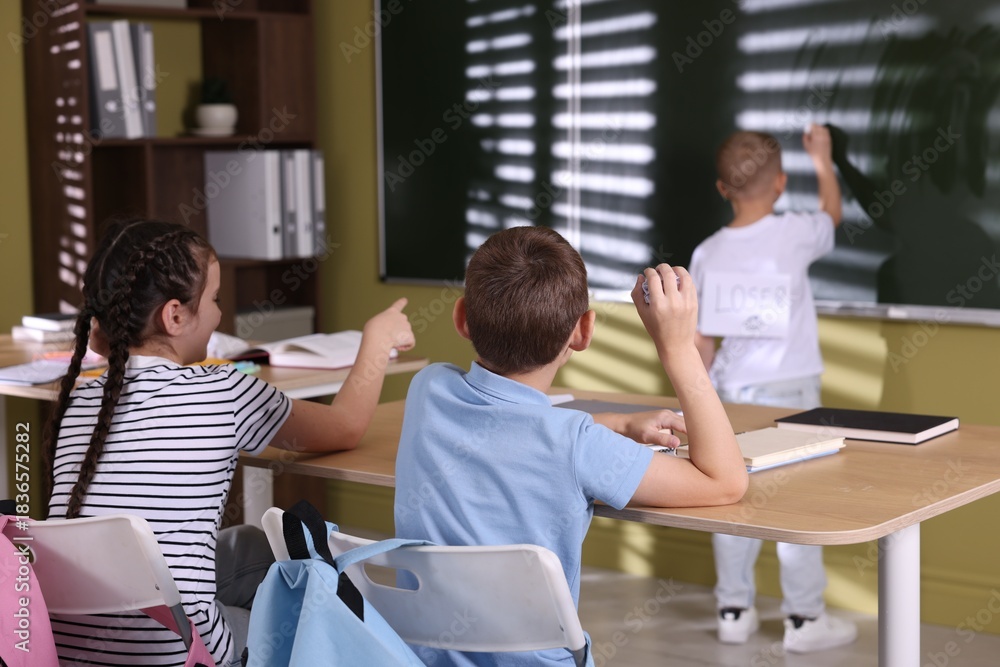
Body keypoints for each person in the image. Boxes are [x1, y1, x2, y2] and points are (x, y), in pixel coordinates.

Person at [43, 219, 415, 667]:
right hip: (179, 653)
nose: (220, 313)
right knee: (300, 589)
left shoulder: (77, 400)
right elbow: (345, 427)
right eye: (214, 300)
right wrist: (377, 340)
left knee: (254, 548)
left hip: (67, 645)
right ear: (175, 315)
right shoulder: (224, 389)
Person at [394, 225, 749, 666]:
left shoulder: (427, 389)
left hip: (420, 656)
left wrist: (617, 423)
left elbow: (516, 429)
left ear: (462, 318)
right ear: (583, 333)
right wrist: (677, 348)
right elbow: (725, 482)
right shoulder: (578, 446)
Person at [688, 126, 856, 653]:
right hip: (792, 389)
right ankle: (804, 620)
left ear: (721, 189)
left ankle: (733, 611)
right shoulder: (795, 233)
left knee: (729, 497)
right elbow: (832, 212)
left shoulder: (708, 253)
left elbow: (698, 343)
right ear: (780, 183)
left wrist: (703, 395)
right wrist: (823, 160)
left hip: (729, 392)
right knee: (795, 502)